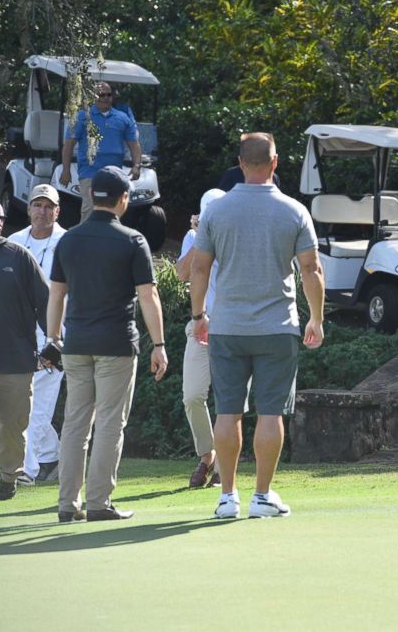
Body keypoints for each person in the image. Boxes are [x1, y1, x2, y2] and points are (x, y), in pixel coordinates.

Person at [190, 132, 325, 519]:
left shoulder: (217, 210)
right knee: (270, 413)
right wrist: (316, 317)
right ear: (275, 162)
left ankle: (227, 497)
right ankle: (262, 496)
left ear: (240, 162)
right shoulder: (294, 211)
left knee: (227, 411)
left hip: (228, 326)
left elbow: (199, 267)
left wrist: (199, 315)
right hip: (277, 326)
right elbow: (311, 269)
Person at [47, 166, 168, 522]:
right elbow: (148, 296)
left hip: (75, 344)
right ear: (124, 199)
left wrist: (54, 339)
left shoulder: (68, 240)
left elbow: (56, 295)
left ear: (90, 196)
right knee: (110, 424)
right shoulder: (132, 240)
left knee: (74, 425)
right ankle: (99, 503)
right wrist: (159, 344)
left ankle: (67, 505)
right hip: (115, 344)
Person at [7, 185, 66, 485]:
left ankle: (26, 471)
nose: (42, 212)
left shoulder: (68, 242)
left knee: (38, 405)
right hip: (19, 338)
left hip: (55, 337)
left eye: (48, 206)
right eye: (37, 205)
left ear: (57, 210)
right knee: (21, 402)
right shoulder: (13, 243)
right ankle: (52, 455)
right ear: (28, 209)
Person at [0, 199, 49, 502]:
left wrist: (53, 341)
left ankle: (7, 477)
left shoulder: (19, 257)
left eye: (0, 218)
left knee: (12, 427)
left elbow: (46, 301)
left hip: (14, 361)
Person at [176, 189, 228, 488]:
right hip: (199, 326)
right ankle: (207, 456)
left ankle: (223, 464)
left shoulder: (238, 235)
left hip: (233, 327)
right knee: (192, 396)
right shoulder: (193, 237)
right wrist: (199, 236)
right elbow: (183, 273)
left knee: (228, 400)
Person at [60, 82, 142, 223]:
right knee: (90, 211)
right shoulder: (81, 117)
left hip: (115, 174)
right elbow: (68, 145)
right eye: (101, 94)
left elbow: (134, 145)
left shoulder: (123, 118)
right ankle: (86, 243)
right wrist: (66, 170)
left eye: (108, 94)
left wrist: (137, 165)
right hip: (89, 173)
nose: (105, 98)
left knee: (114, 213)